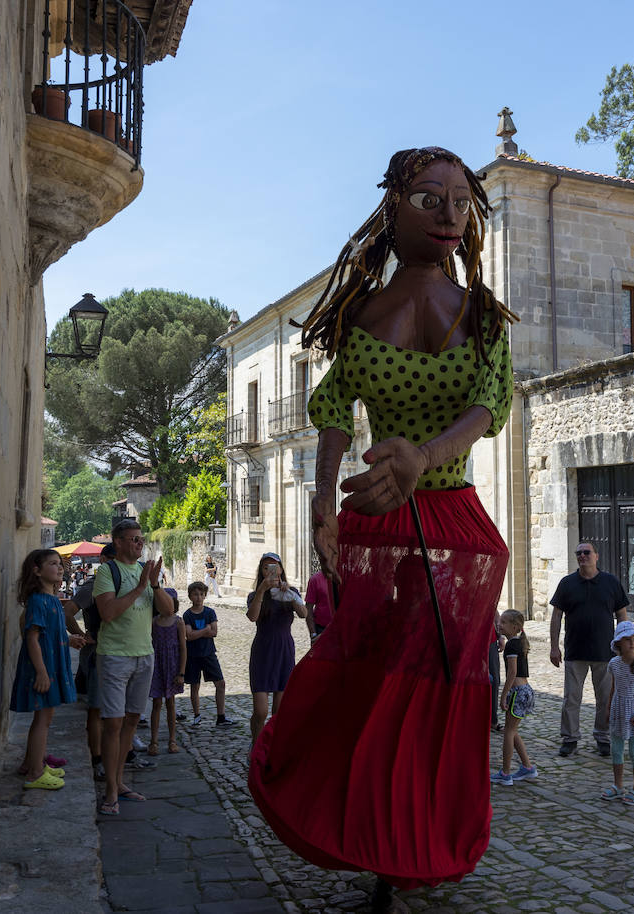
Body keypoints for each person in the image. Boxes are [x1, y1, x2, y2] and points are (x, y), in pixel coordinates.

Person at [247, 146, 517, 907]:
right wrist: (324, 499)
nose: (450, 216)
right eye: (430, 199)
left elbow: (491, 407)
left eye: (461, 202)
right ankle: (374, 834)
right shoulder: (360, 317)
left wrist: (424, 457)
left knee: (441, 692)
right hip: (380, 527)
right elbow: (333, 410)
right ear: (391, 206)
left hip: (455, 524)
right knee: (370, 681)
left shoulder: (482, 316)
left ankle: (417, 840)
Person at [93, 519, 170, 815]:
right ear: (119, 542)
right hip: (114, 655)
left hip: (144, 655)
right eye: (134, 539)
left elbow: (168, 610)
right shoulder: (106, 572)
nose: (140, 544)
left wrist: (153, 584)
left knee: (131, 722)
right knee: (112, 723)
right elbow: (108, 613)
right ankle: (110, 791)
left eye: (141, 539)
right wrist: (139, 588)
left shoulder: (144, 574)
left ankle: (121, 782)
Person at [9, 549, 83, 790]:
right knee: (43, 718)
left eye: (60, 564)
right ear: (37, 571)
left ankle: (32, 762)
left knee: (45, 717)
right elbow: (32, 638)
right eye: (53, 564)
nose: (59, 567)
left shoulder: (51, 599)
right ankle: (35, 773)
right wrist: (41, 672)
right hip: (45, 666)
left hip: (51, 662)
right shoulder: (39, 602)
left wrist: (70, 640)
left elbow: (50, 633)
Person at [549, 542, 628, 758]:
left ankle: (602, 737)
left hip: (606, 651)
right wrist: (554, 646)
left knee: (604, 699)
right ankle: (570, 738)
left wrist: (623, 642)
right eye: (579, 553)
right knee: (571, 698)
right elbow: (556, 616)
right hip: (575, 650)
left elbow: (621, 613)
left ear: (596, 556)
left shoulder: (610, 582)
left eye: (587, 552)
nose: (583, 556)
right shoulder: (567, 583)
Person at [246, 553, 306, 742]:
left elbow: (304, 614)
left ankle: (272, 746)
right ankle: (256, 743)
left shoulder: (291, 591)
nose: (270, 570)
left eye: (274, 566)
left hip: (284, 651)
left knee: (279, 710)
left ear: (280, 569)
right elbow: (252, 617)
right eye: (266, 567)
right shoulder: (255, 595)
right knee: (261, 711)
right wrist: (262, 592)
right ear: (261, 572)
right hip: (263, 652)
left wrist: (291, 596)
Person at [599, 620, 634, 807]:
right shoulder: (614, 664)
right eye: (627, 639)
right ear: (618, 644)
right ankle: (618, 785)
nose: (632, 643)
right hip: (619, 712)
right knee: (616, 750)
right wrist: (608, 708)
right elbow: (614, 688)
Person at [72, 544, 116, 779]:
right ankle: (97, 758)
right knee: (97, 708)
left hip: (119, 651)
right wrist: (81, 635)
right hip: (97, 651)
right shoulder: (92, 586)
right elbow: (68, 611)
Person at [491, 610, 537, 786]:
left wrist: (503, 696)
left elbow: (512, 672)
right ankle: (527, 767)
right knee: (513, 729)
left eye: (503, 622)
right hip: (526, 690)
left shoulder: (511, 646)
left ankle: (505, 773)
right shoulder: (518, 643)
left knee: (508, 732)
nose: (499, 625)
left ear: (515, 627)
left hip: (518, 692)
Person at [183, 581, 237, 727]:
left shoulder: (210, 612)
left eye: (201, 594)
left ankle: (221, 716)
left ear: (205, 595)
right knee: (194, 686)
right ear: (190, 596)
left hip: (208, 654)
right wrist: (204, 631)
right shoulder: (187, 615)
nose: (199, 597)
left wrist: (200, 632)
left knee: (220, 683)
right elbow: (189, 636)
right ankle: (196, 715)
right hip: (193, 655)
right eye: (195, 594)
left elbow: (214, 632)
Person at [147, 588, 187, 755]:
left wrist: (181, 672)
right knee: (156, 704)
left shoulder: (178, 622)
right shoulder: (154, 622)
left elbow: (183, 648)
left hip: (172, 666)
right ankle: (154, 741)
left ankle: (172, 739)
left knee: (171, 704)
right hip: (157, 666)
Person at [303, 569, 334, 641]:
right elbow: (309, 607)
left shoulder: (344, 577)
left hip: (342, 630)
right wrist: (313, 634)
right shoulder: (315, 579)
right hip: (321, 629)